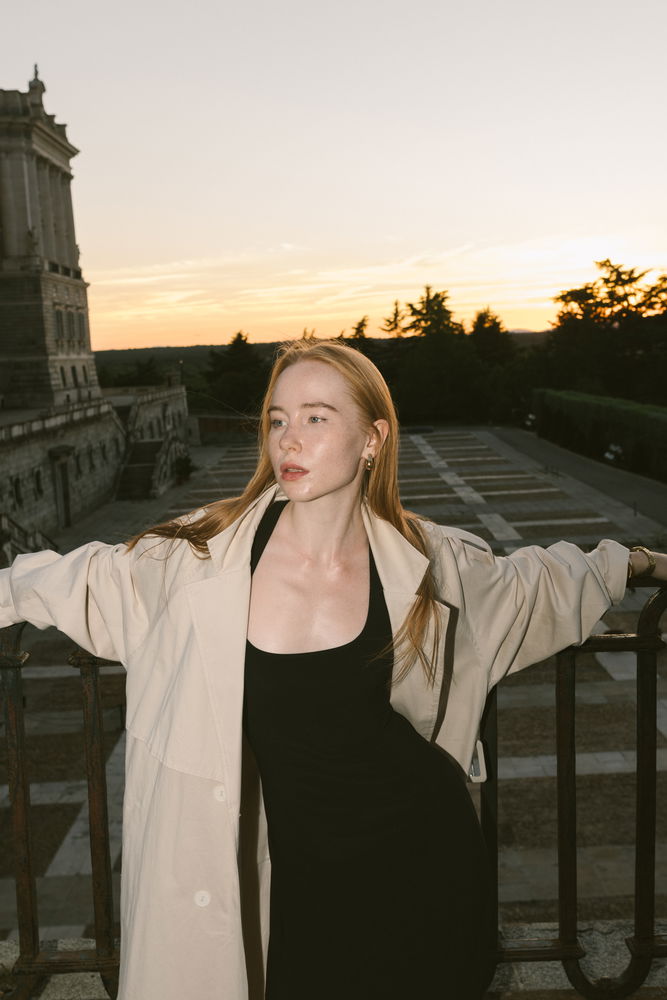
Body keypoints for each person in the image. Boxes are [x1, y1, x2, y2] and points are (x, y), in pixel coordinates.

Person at [1, 340, 665, 1000]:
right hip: (288, 889)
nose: (288, 439)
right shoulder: (196, 561)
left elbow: (536, 585)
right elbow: (75, 580)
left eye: (316, 417)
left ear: (372, 439)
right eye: (278, 419)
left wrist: (635, 561)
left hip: (422, 864)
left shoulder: (429, 564)